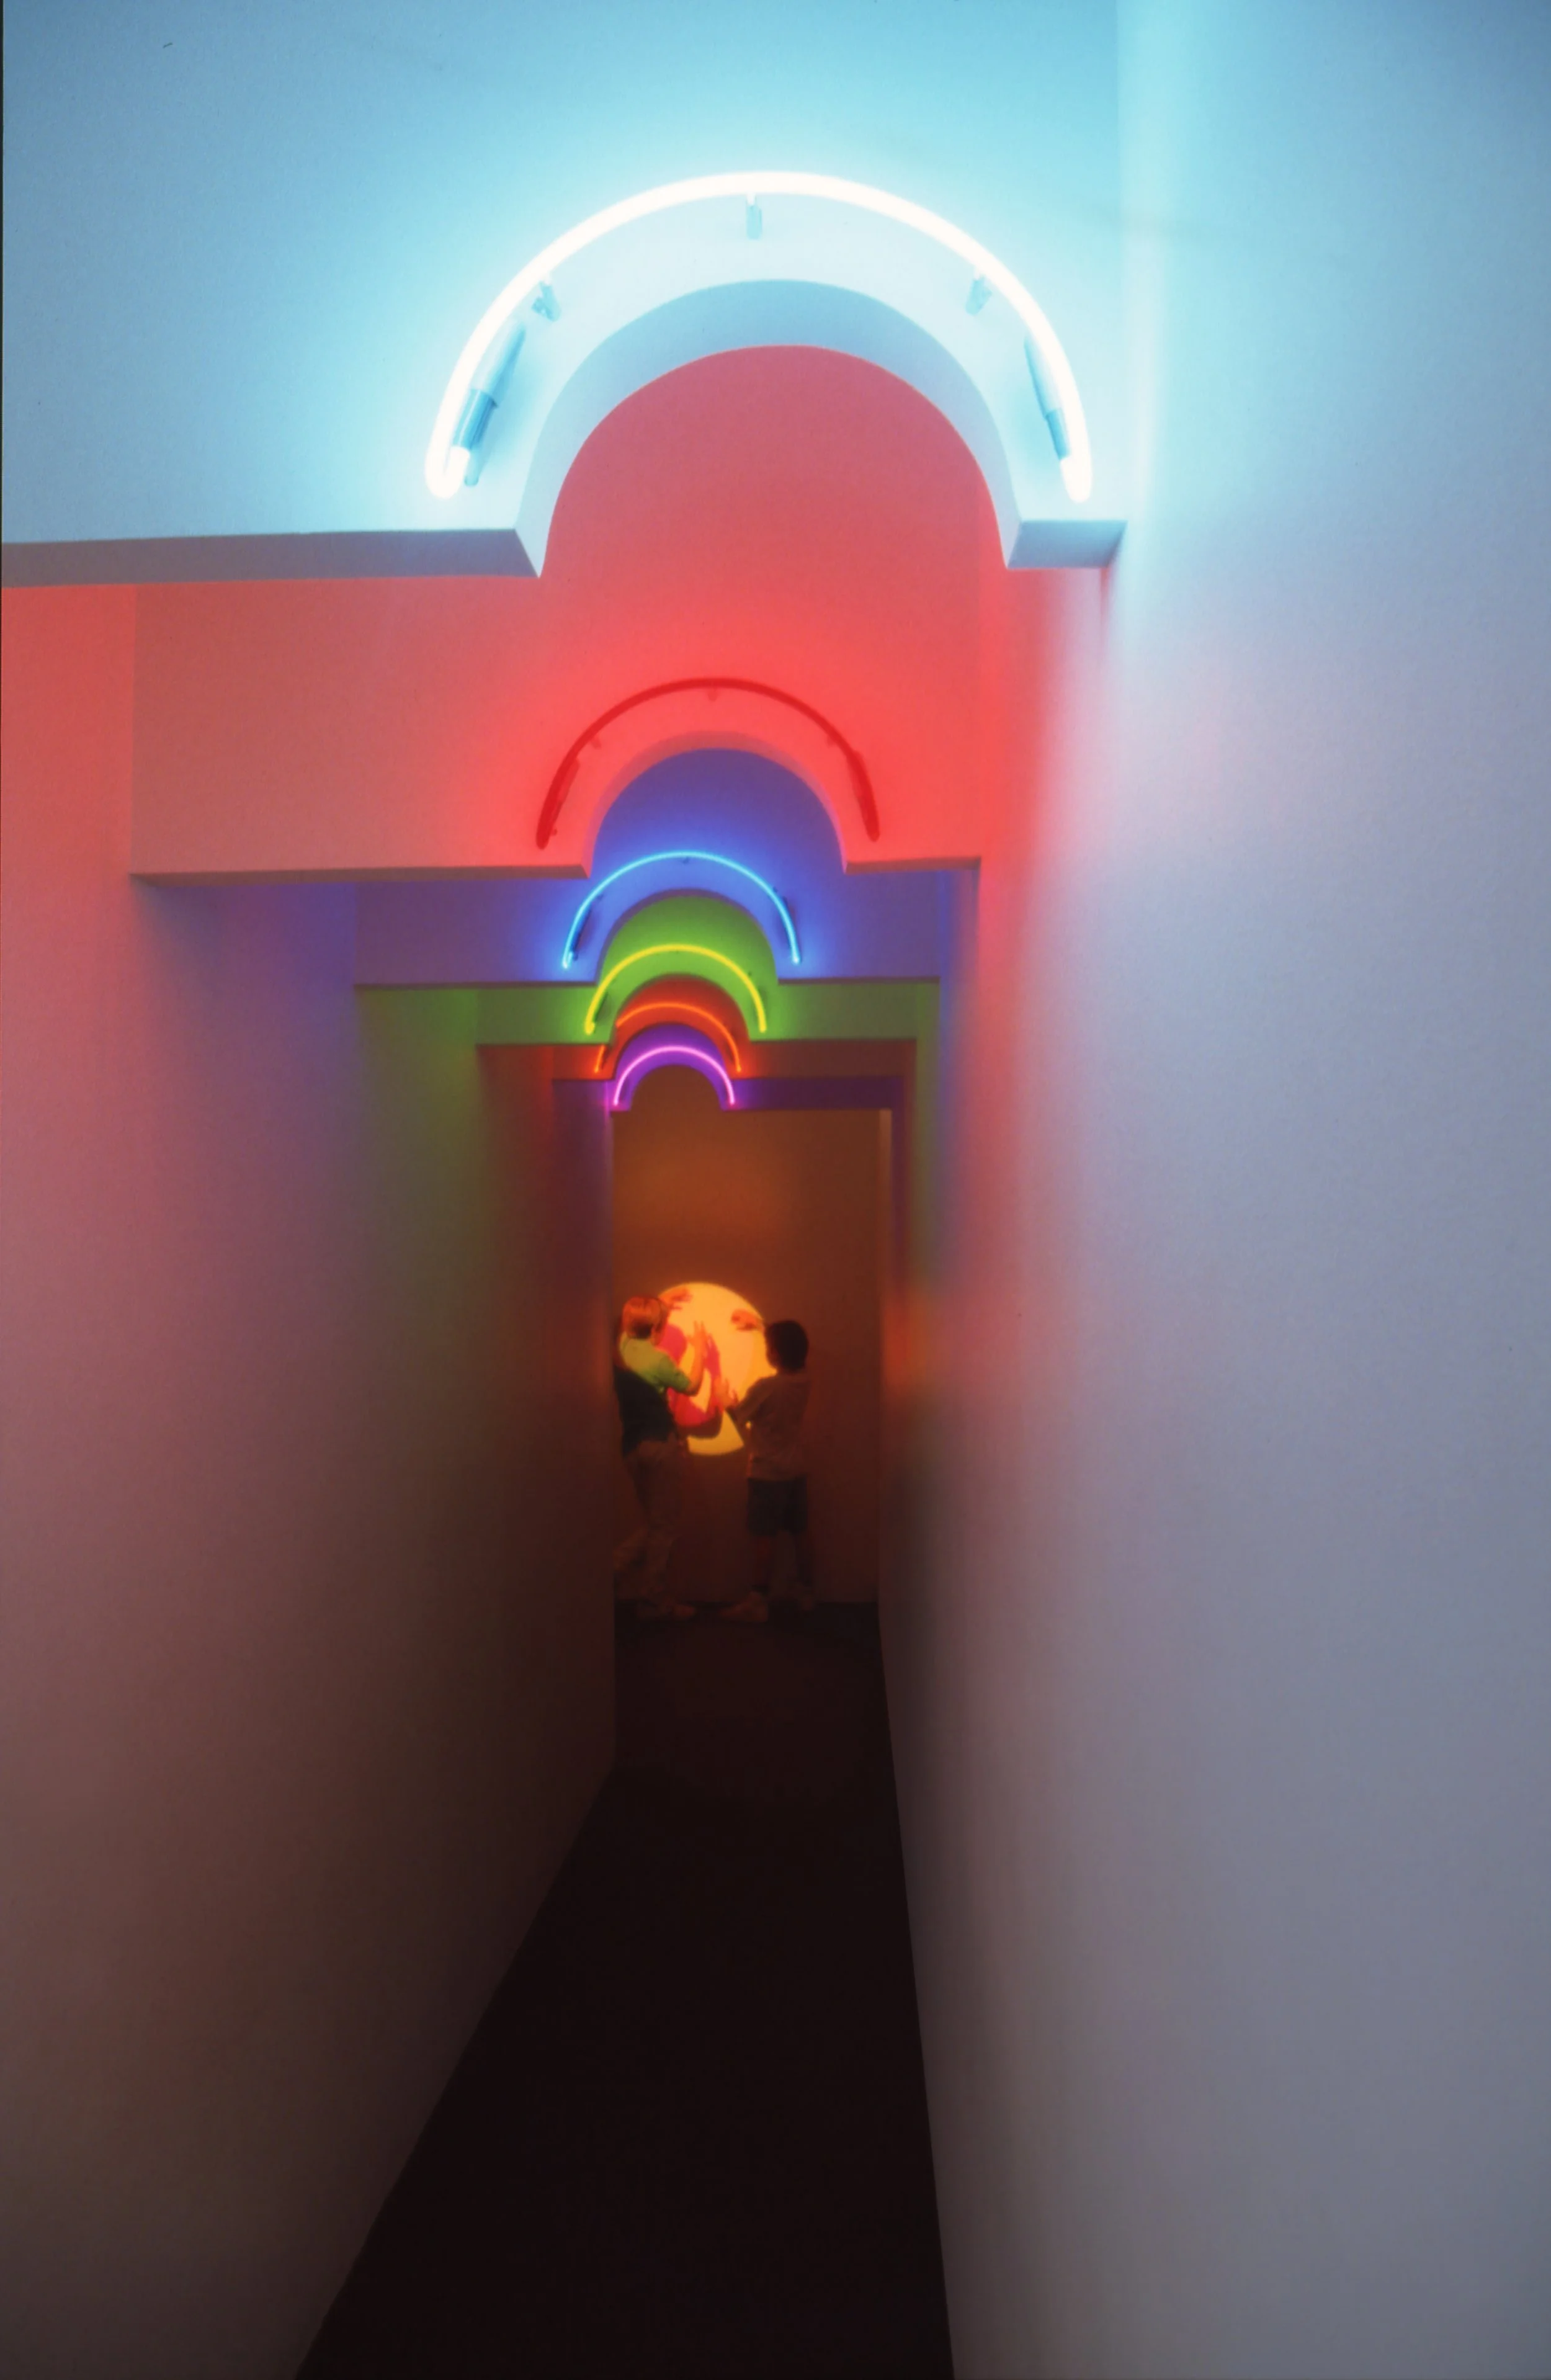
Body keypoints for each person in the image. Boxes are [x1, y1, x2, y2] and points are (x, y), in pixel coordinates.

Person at [612, 1291, 714, 1622]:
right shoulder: (659, 1361)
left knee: (656, 1525)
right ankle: (651, 1600)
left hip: (631, 1448)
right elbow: (694, 1386)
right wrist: (699, 1350)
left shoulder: (623, 1348)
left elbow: (627, 1326)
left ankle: (613, 1573)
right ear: (657, 1329)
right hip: (660, 1447)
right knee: (664, 1527)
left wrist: (662, 1303)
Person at [717, 1310, 814, 1624]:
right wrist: (760, 1326)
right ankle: (805, 1592)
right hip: (795, 1470)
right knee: (800, 1532)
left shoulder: (767, 1387)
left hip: (767, 1474)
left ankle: (758, 1600)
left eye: (769, 1347)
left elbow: (739, 1417)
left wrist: (724, 1399)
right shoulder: (804, 1379)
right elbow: (788, 1346)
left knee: (765, 1538)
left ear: (774, 1353)